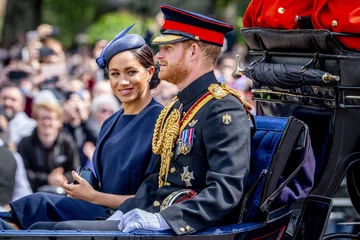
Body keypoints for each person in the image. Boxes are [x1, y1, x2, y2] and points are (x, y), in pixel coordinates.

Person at [50, 4, 253, 236]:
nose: (158, 57)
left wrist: (163, 220)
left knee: (63, 232)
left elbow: (225, 191)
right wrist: (125, 211)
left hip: (189, 228)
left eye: (167, 48)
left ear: (194, 52)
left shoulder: (222, 108)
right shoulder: (178, 107)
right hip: (155, 214)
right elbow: (159, 179)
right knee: (46, 226)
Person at [0, 24, 163, 230]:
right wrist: (85, 189)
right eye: (114, 74)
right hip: (101, 207)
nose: (123, 82)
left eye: (131, 72)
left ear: (149, 72)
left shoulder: (161, 121)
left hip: (130, 218)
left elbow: (154, 197)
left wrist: (94, 196)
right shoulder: (111, 122)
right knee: (34, 205)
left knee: (48, 221)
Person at [17, 101, 80, 192]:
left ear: (59, 121)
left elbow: (75, 170)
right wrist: (47, 179)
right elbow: (22, 172)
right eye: (42, 118)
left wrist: (61, 178)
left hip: (62, 193)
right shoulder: (25, 143)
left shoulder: (67, 142)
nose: (46, 122)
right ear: (36, 120)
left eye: (50, 118)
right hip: (32, 193)